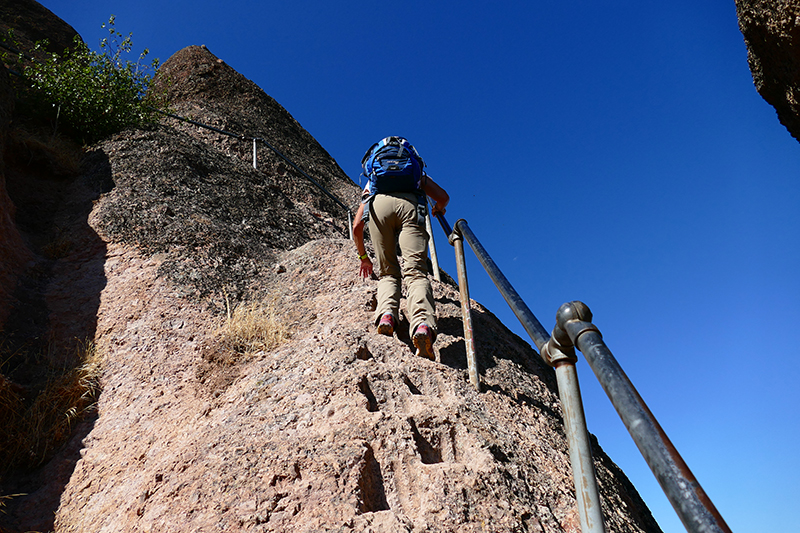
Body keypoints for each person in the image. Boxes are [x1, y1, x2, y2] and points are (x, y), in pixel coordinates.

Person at [353, 139, 449, 360]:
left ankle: (387, 315)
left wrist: (364, 258)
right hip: (411, 206)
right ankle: (422, 325)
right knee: (416, 273)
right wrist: (437, 209)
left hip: (379, 209)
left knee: (388, 272)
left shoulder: (372, 181)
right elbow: (443, 197)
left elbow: (357, 226)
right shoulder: (417, 175)